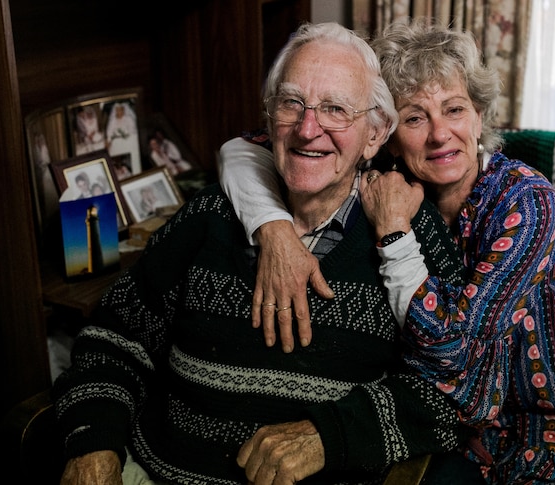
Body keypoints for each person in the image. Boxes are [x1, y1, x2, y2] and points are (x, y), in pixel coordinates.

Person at [218, 19, 555, 484]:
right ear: (385, 134)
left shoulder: (526, 200)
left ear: (480, 116)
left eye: (455, 109)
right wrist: (274, 229)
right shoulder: (382, 169)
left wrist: (395, 233)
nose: (440, 134)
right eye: (416, 118)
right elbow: (242, 149)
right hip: (471, 418)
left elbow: (455, 354)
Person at [53, 21, 468, 485]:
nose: (309, 129)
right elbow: (114, 338)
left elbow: (451, 387)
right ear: (269, 120)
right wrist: (93, 444)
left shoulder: (409, 229)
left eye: (335, 109)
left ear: (374, 135)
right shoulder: (208, 214)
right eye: (292, 103)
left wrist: (328, 437)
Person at [105, 102, 141, 167]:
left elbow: (132, 131)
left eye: (120, 110)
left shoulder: (128, 119)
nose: (119, 112)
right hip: (116, 142)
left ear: (123, 110)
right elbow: (109, 132)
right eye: (117, 110)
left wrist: (124, 134)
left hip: (128, 140)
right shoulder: (113, 120)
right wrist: (109, 140)